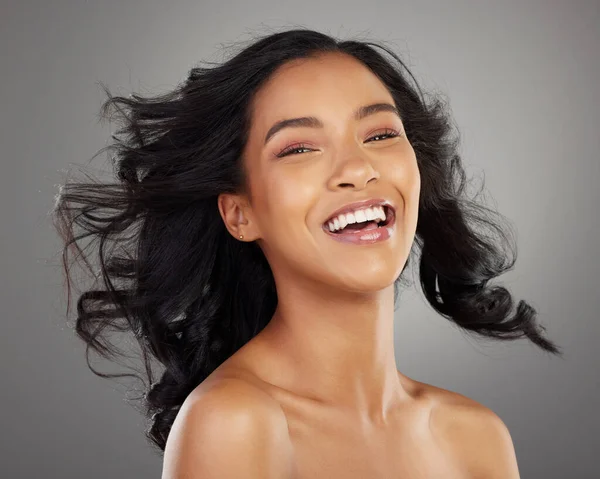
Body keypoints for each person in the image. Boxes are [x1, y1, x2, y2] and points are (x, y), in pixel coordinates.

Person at [53, 27, 561, 478]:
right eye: (299, 148)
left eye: (381, 134)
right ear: (239, 214)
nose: (357, 168)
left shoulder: (475, 435)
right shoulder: (234, 423)